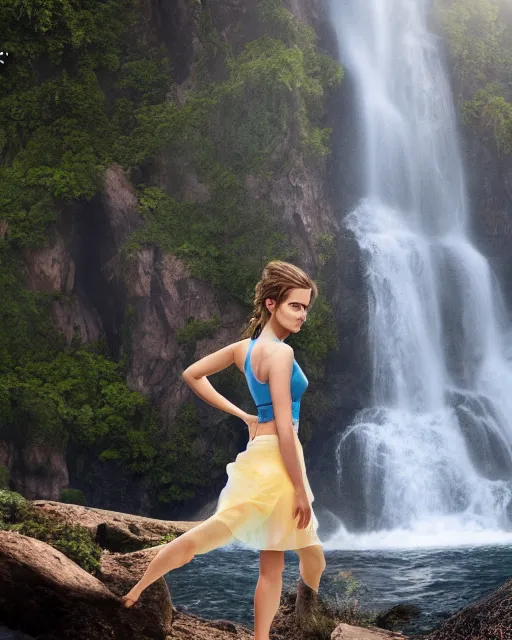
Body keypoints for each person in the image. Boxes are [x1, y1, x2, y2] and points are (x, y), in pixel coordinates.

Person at [121, 260, 326, 640]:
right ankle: (302, 619)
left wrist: (245, 416)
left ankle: (137, 587)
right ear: (270, 304)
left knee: (250, 543)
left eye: (306, 307)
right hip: (281, 457)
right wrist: (299, 487)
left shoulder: (242, 350)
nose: (302, 315)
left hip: (261, 452)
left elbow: (191, 374)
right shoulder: (281, 354)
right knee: (290, 558)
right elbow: (284, 424)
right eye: (295, 306)